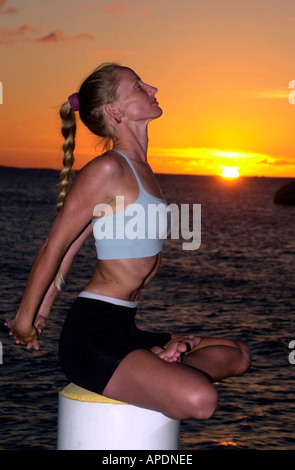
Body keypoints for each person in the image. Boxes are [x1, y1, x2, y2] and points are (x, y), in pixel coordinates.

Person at [6, 63, 251, 420]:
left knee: (238, 354)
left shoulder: (142, 170)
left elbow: (73, 248)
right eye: (138, 85)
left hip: (125, 325)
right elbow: (57, 246)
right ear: (115, 111)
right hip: (92, 338)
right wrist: (28, 320)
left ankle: (162, 359)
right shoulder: (107, 170)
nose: (152, 88)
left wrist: (42, 310)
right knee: (202, 400)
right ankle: (163, 363)